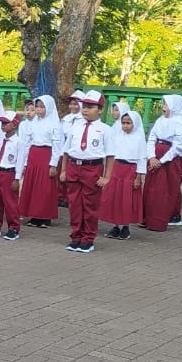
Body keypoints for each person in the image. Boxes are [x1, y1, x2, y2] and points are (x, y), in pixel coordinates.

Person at [59, 89, 115, 253]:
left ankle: (88, 238)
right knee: (74, 204)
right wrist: (64, 170)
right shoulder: (75, 127)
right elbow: (66, 151)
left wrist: (107, 177)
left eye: (90, 107)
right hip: (74, 167)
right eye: (84, 106)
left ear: (100, 109)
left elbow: (110, 155)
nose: (85, 110)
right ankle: (76, 236)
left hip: (92, 168)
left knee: (90, 205)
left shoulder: (105, 129)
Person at [142, 94, 182, 232]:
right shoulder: (160, 121)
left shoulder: (181, 123)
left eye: (166, 105)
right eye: (163, 104)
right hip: (155, 158)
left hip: (169, 161)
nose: (163, 107)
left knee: (163, 191)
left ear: (174, 106)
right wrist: (152, 157)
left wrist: (162, 161)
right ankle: (147, 218)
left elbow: (178, 146)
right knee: (151, 189)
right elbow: (152, 138)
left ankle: (158, 221)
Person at [100, 110, 146, 241]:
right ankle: (115, 226)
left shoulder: (139, 138)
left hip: (130, 170)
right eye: (123, 123)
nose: (125, 126)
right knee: (115, 197)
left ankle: (125, 227)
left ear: (135, 124)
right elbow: (111, 154)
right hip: (117, 168)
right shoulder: (117, 136)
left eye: (128, 123)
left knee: (126, 199)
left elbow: (142, 158)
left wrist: (138, 177)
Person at [18, 94, 63, 228]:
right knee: (33, 186)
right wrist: (25, 162)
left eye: (42, 107)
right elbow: (28, 142)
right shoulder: (34, 123)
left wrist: (53, 164)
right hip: (34, 155)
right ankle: (34, 215)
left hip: (46, 155)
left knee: (44, 187)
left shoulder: (55, 124)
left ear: (49, 108)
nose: (38, 110)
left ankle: (45, 217)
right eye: (37, 107)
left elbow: (57, 146)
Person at [0, 111, 25, 241]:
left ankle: (13, 228)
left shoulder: (19, 142)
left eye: (5, 123)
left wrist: (17, 178)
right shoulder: (0, 140)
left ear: (14, 124)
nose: (2, 126)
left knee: (10, 203)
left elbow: (20, 161)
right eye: (2, 123)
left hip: (9, 174)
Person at [58, 89, 85, 207]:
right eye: (71, 104)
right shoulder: (66, 119)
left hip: (75, 150)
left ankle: (69, 198)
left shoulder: (83, 120)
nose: (73, 106)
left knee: (71, 176)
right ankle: (61, 196)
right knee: (62, 173)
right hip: (64, 149)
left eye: (76, 104)